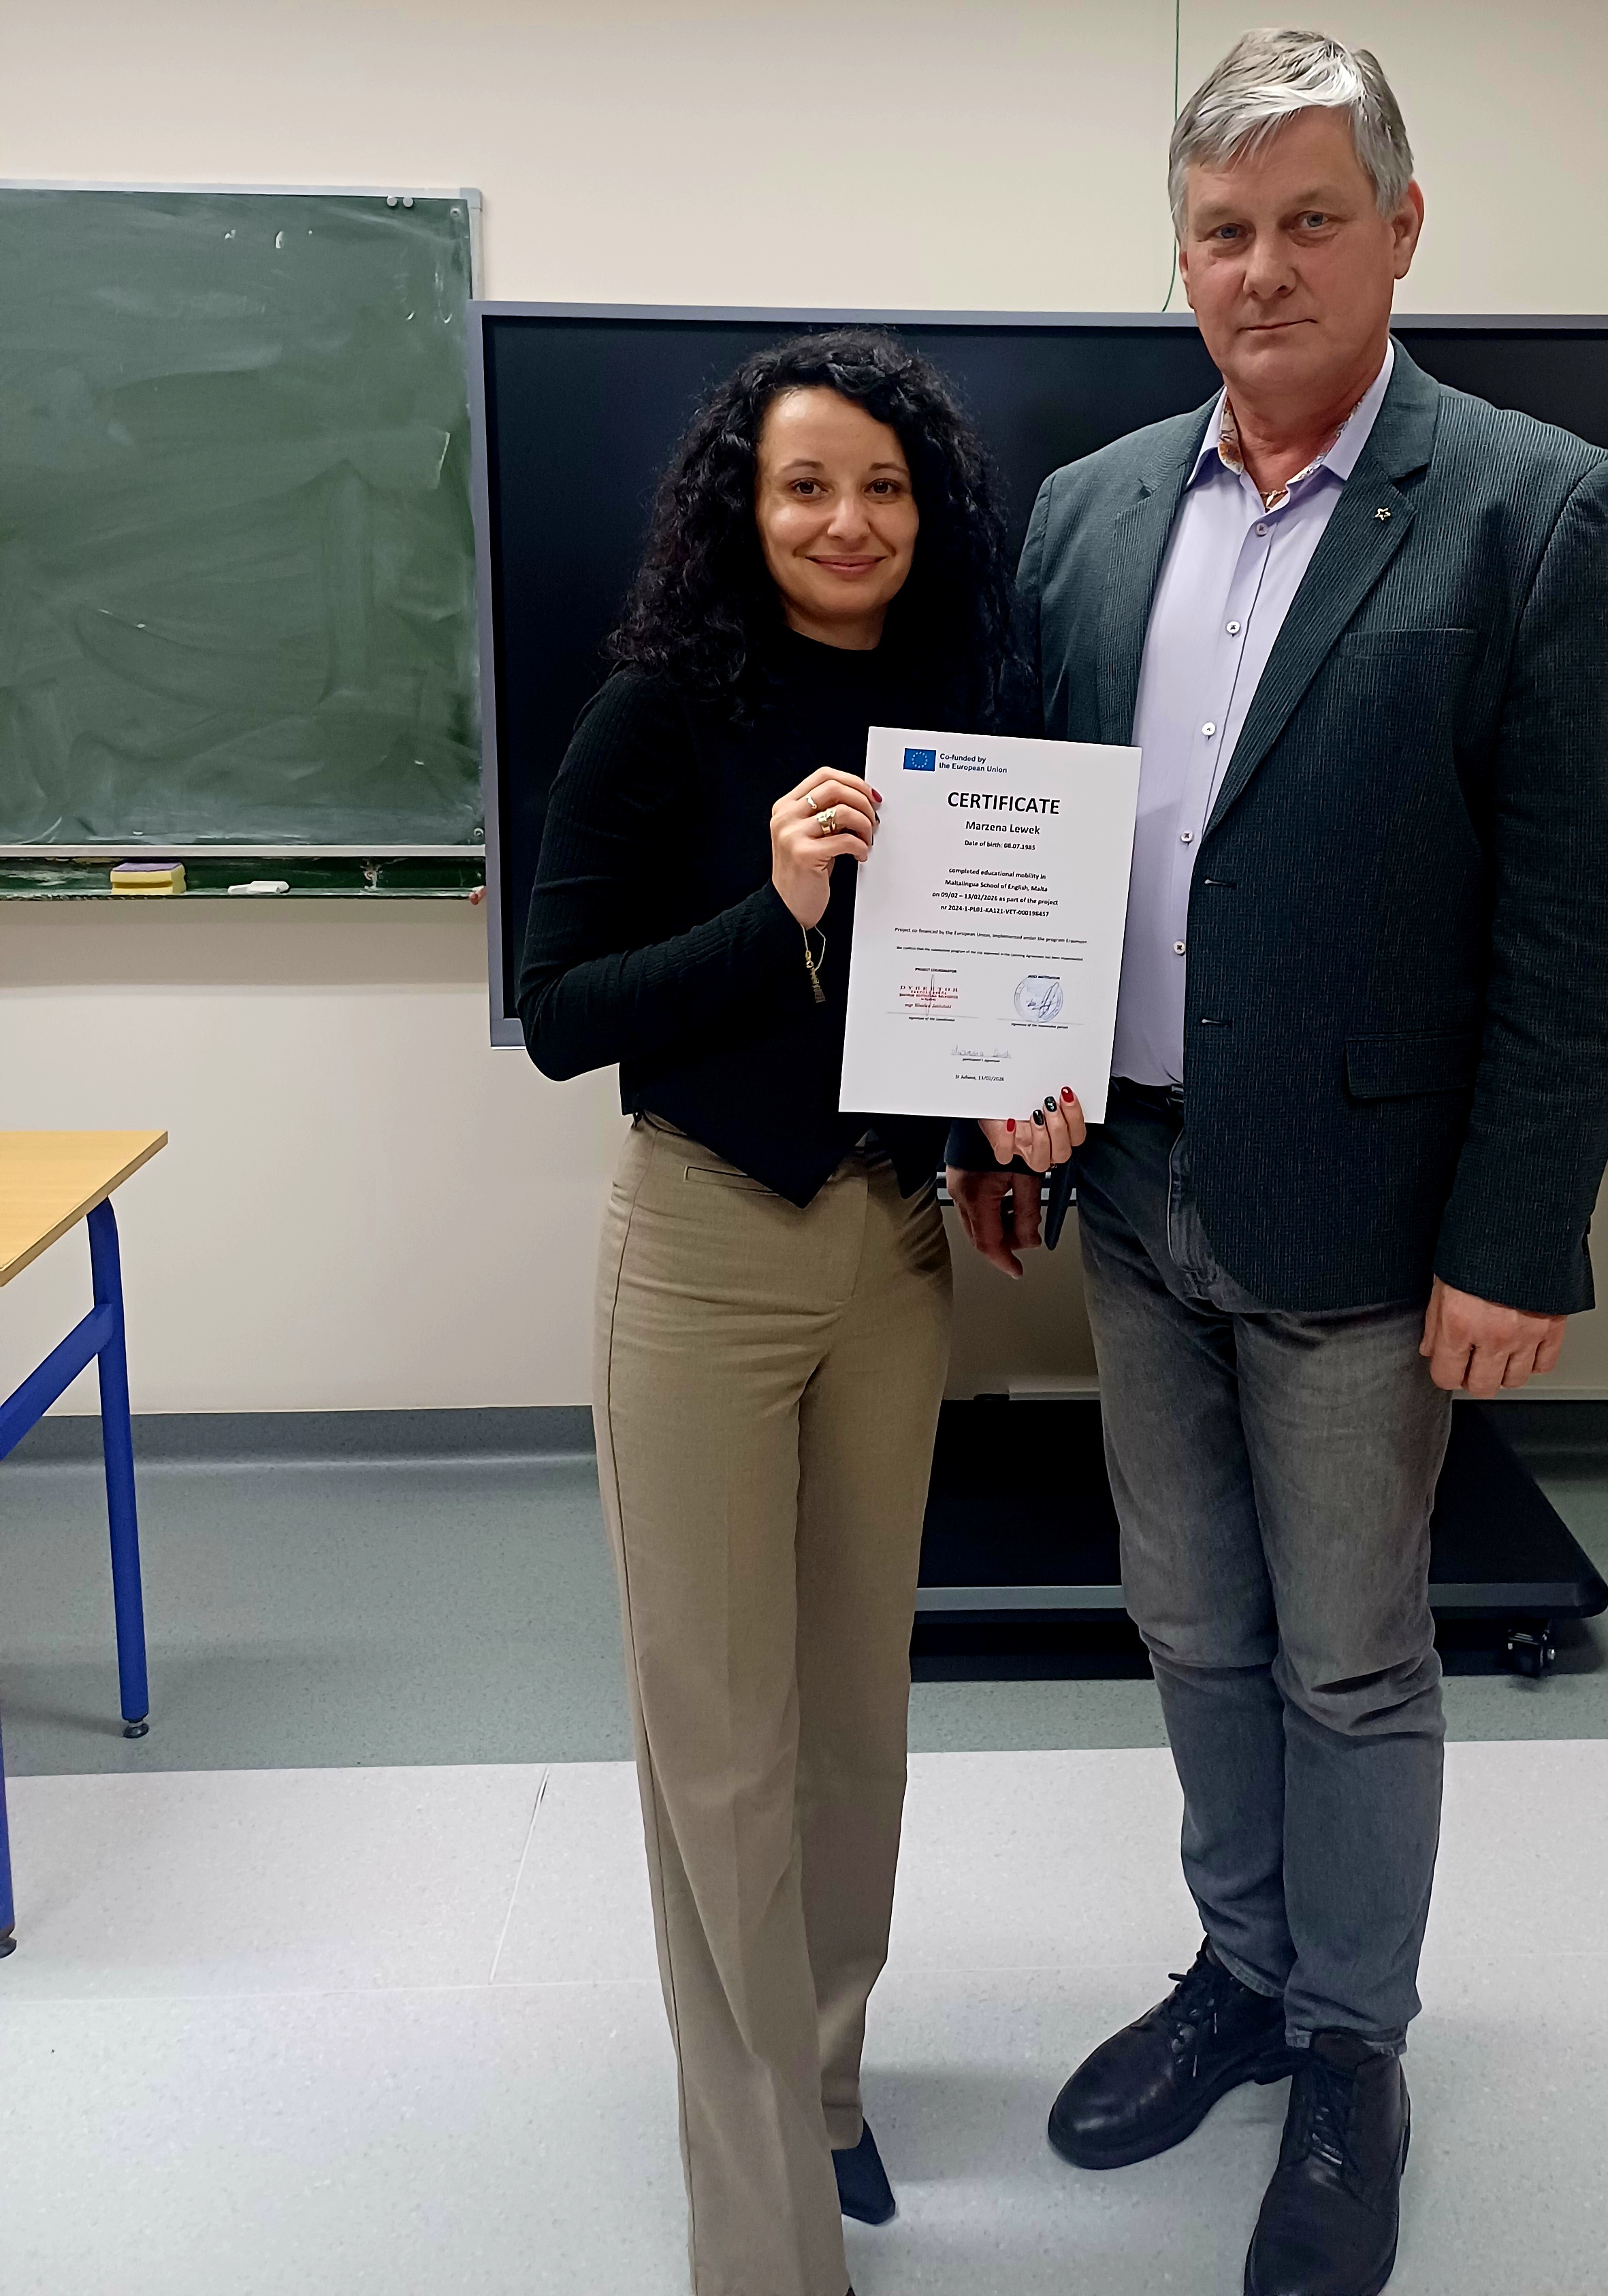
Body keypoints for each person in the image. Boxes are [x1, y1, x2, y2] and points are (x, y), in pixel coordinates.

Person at [952, 30, 1608, 2296]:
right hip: (1134, 1193)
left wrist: (1518, 1235)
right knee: (1188, 1623)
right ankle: (1245, 1975)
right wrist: (1000, 1090)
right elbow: (1033, 852)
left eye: (1307, 221)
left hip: (1371, 1217)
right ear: (1180, 258)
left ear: (1401, 230)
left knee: (1352, 1662)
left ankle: (1354, 2050)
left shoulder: (1542, 510)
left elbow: (1582, 922)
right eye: (1221, 231)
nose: (1260, 268)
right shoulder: (1088, 510)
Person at [519, 331, 1009, 2296]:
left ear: (926, 511)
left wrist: (1023, 1107)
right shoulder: (655, 716)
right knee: (719, 1748)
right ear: (744, 503)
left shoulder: (966, 713)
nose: (847, 521)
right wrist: (778, 908)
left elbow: (972, 1005)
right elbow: (567, 1013)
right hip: (704, 1252)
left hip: (893, 1250)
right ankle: (761, 2231)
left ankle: (825, 2086)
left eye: (884, 486)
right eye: (807, 484)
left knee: (851, 1724)